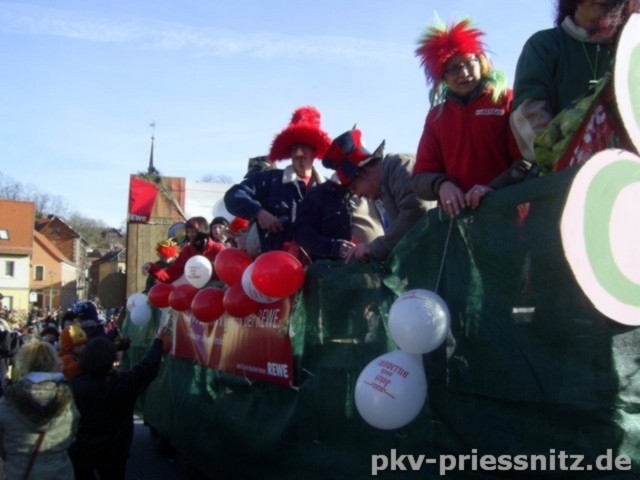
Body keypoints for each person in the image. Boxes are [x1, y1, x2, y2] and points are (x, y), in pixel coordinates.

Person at [411, 18, 526, 218]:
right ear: (442, 76)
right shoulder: (436, 117)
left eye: (469, 62)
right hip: (460, 224)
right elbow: (420, 179)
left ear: (481, 62)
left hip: (510, 218)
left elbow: (527, 161)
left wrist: (492, 189)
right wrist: (442, 184)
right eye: (453, 68)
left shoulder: (506, 100)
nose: (464, 73)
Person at [510, 0, 640, 165]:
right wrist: (561, 159)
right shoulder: (545, 44)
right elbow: (527, 114)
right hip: (562, 171)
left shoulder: (633, 49)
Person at [224, 106, 332, 253]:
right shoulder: (269, 180)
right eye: (294, 147)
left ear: (315, 150)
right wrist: (259, 213)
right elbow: (233, 196)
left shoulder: (330, 189)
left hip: (316, 265)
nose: (299, 153)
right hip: (273, 264)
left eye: (305, 146)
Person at [68, 331, 170, 479]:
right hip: (115, 449)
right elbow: (147, 367)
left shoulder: (73, 387)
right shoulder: (123, 382)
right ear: (113, 358)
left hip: (81, 448)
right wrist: (157, 343)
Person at [322, 128, 430, 262]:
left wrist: (373, 248)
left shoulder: (399, 165)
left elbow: (415, 212)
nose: (358, 196)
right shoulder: (380, 193)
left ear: (363, 172)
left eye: (354, 188)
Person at [0, 339, 79, 480]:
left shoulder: (7, 402)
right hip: (59, 473)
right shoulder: (68, 400)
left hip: (19, 472)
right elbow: (72, 437)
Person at [293, 172, 385, 261]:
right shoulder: (319, 194)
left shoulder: (373, 187)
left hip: (378, 263)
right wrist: (335, 247)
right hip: (339, 268)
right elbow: (302, 233)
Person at [142, 216, 225, 284]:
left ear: (202, 231)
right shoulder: (187, 251)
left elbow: (226, 273)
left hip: (216, 291)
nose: (190, 234)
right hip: (195, 293)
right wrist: (151, 268)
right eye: (188, 231)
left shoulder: (218, 248)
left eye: (194, 231)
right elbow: (170, 275)